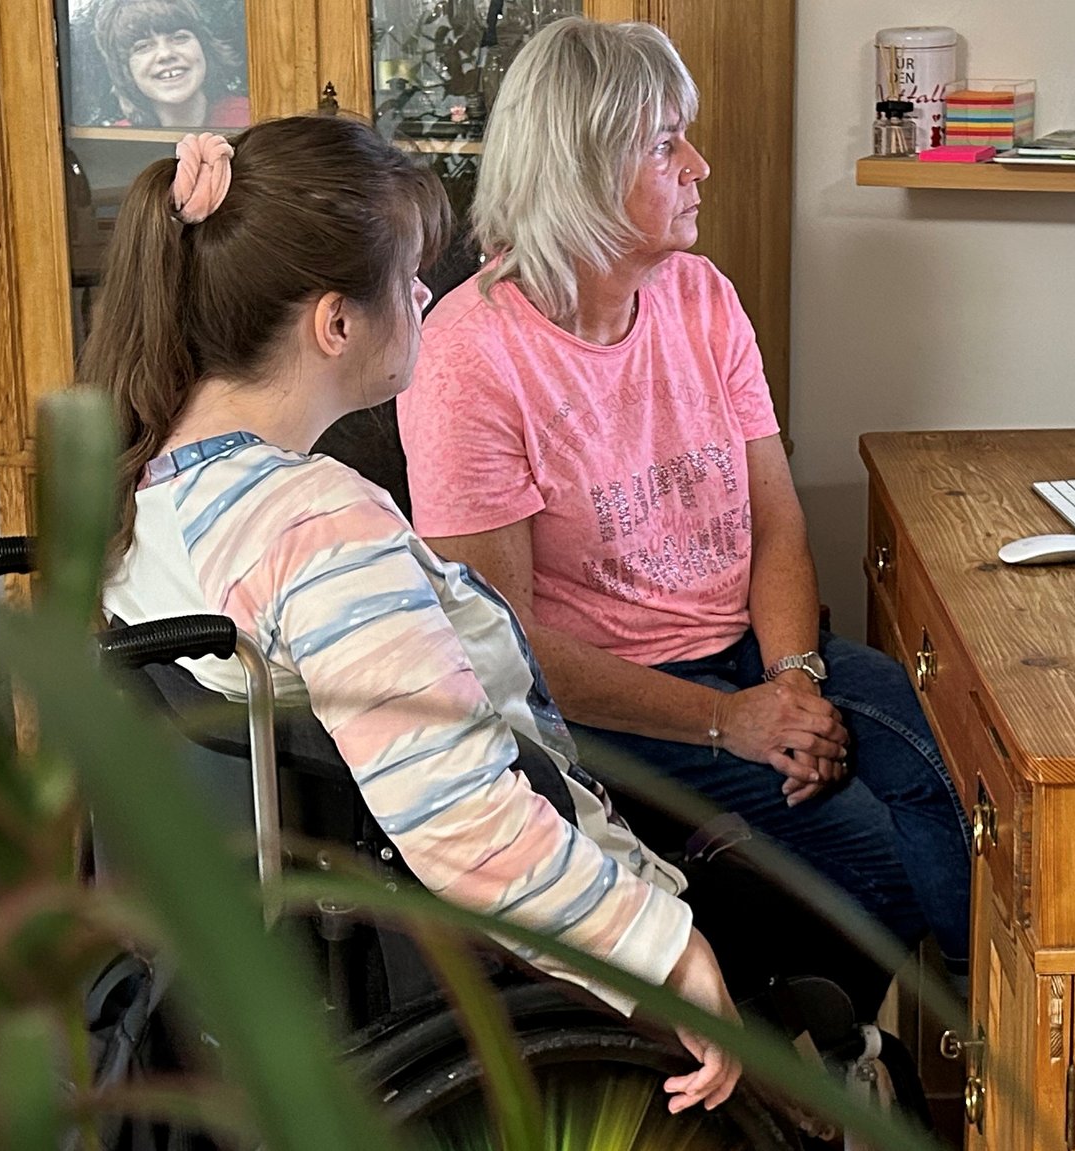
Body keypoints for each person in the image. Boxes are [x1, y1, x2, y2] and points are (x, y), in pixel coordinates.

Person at [82, 115, 736, 1113]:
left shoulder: (146, 485)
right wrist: (666, 955)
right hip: (458, 954)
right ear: (335, 324)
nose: (428, 295)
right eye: (409, 277)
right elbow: (464, 827)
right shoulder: (318, 530)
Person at [396, 18, 972, 999]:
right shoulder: (465, 359)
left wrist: (789, 677)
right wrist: (728, 722)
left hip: (750, 650)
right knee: (878, 856)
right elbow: (507, 648)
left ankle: (959, 1054)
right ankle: (810, 1054)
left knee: (952, 780)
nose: (699, 166)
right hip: (607, 698)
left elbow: (777, 523)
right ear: (580, 168)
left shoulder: (700, 296)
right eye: (666, 143)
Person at [91, 0, 251, 128]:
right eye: (143, 46)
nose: (165, 54)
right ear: (125, 71)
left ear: (204, 48)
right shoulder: (117, 139)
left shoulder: (252, 120)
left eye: (179, 37)